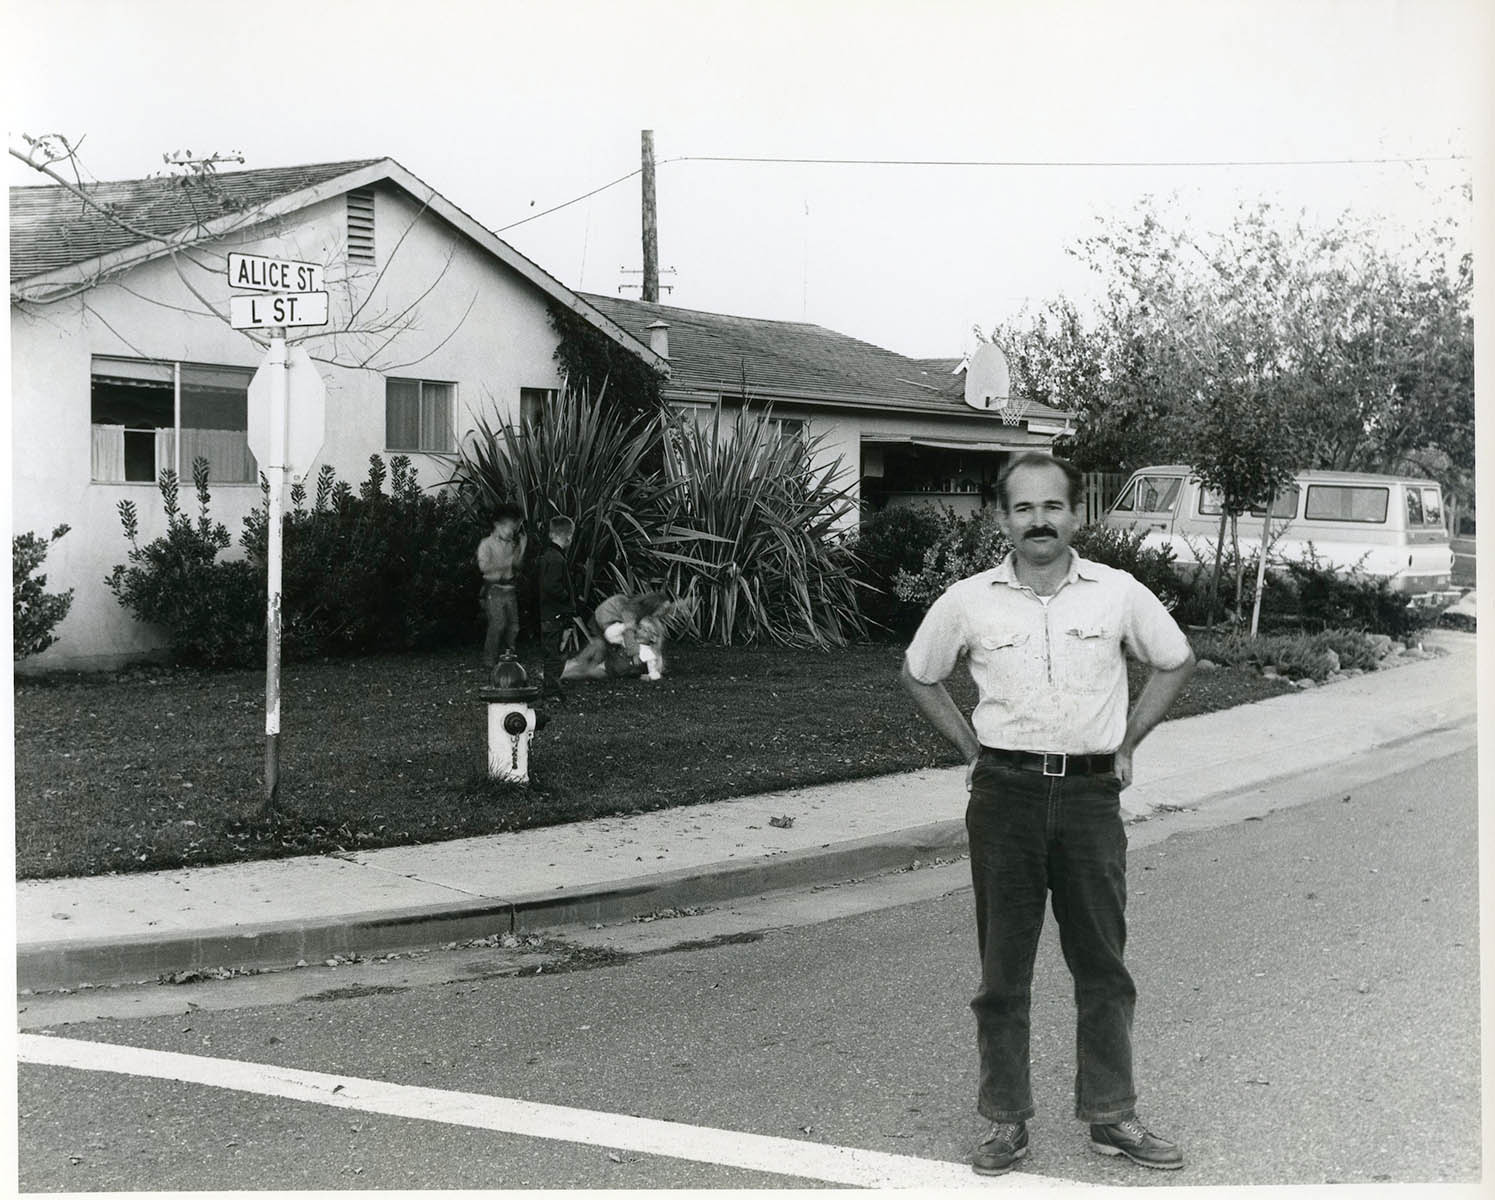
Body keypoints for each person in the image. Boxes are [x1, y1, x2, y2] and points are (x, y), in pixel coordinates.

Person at [899, 452, 1196, 1177]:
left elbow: (1174, 658)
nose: (1039, 520)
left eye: (1052, 507)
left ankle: (1111, 1115)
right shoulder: (968, 600)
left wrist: (1127, 742)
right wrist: (970, 748)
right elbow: (918, 673)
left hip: (1091, 799)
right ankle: (1005, 1122)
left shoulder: (1117, 592)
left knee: (1101, 964)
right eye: (1023, 509)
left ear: (1074, 515)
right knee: (1003, 971)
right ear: (1002, 519)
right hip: (1005, 798)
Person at [562, 590, 672, 681]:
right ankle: (572, 670)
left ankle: (577, 669)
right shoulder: (633, 611)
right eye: (662, 609)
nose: (664, 613)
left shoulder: (638, 610)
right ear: (654, 606)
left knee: (600, 652)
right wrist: (634, 652)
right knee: (598, 649)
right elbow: (628, 632)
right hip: (603, 623)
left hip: (609, 624)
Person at [476, 504, 526, 672]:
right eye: (509, 528)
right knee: (497, 624)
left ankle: (509, 657)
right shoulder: (486, 544)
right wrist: (507, 563)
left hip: (509, 590)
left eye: (514, 529)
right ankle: (489, 660)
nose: (512, 532)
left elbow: (517, 565)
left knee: (513, 625)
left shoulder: (511, 544)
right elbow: (484, 567)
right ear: (498, 525)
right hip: (494, 590)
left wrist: (522, 549)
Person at [536, 515, 577, 703]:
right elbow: (551, 586)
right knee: (555, 654)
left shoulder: (548, 556)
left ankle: (552, 688)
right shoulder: (556, 559)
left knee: (555, 652)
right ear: (568, 536)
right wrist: (566, 597)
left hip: (550, 613)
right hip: (555, 614)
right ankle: (551, 691)